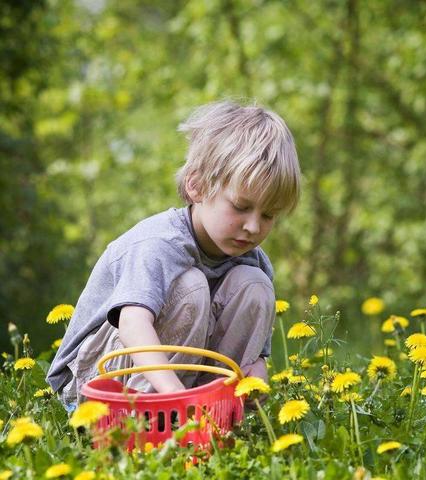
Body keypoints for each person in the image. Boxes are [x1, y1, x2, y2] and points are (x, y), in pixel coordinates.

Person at [46, 100, 301, 410]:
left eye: (269, 215)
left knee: (255, 284)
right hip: (94, 382)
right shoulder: (158, 243)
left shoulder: (253, 259)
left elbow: (257, 353)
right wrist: (175, 395)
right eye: (241, 207)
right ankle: (153, 418)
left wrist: (255, 372)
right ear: (196, 187)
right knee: (190, 286)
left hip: (177, 381)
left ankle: (213, 415)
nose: (252, 226)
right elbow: (132, 324)